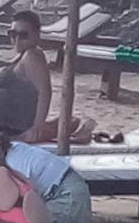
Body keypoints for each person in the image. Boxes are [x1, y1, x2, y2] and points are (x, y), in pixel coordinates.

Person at [0, 128, 92, 223]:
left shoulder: (14, 164)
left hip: (67, 197)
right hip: (68, 189)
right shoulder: (15, 148)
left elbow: (22, 205)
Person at [6, 10, 94, 144]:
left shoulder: (32, 56)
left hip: (16, 127)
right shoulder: (23, 55)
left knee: (69, 121)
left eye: (23, 35)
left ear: (36, 35)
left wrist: (38, 125)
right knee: (70, 120)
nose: (16, 39)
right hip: (12, 121)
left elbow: (44, 90)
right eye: (13, 34)